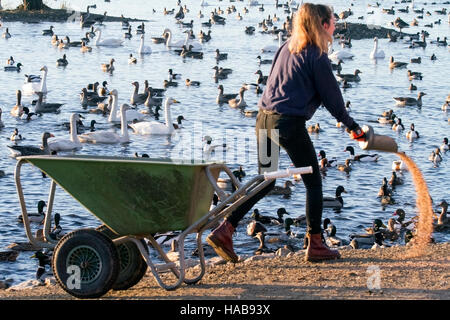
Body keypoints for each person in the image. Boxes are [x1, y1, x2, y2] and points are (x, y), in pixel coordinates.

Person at [206, 3, 366, 263]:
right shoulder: (316, 56)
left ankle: (225, 229)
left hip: (264, 120)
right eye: (333, 22)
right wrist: (354, 128)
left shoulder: (286, 47)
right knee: (313, 180)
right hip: (288, 124)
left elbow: (273, 85)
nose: (335, 27)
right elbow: (334, 101)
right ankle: (315, 244)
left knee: (266, 181)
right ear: (323, 25)